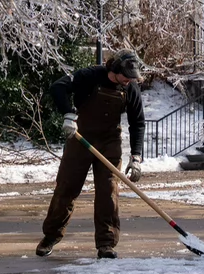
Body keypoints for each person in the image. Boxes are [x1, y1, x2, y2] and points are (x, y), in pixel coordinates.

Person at [36, 50, 146, 259]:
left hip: (109, 143)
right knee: (66, 188)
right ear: (115, 69)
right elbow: (58, 87)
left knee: (108, 193)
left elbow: (137, 122)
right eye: (126, 77)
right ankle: (50, 236)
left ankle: (106, 244)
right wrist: (68, 114)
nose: (128, 81)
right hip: (80, 138)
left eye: (132, 78)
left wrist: (136, 157)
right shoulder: (90, 75)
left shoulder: (130, 88)